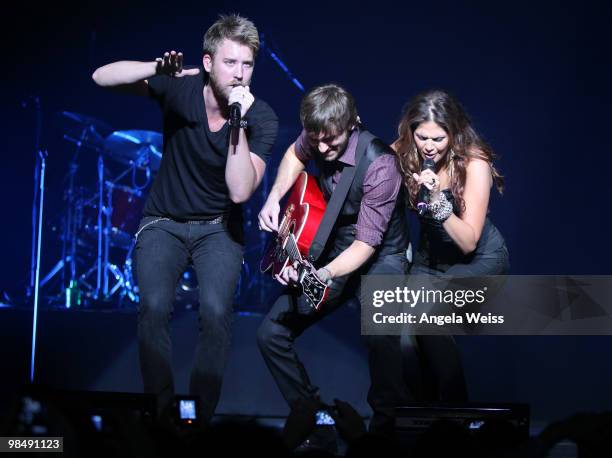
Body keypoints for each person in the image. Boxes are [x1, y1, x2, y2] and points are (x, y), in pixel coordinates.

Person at [92, 14, 279, 421]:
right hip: (163, 220)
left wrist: (238, 123)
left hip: (218, 228)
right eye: (230, 63)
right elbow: (101, 77)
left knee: (215, 313)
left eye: (247, 65)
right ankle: (160, 411)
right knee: (155, 306)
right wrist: (157, 67)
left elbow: (239, 190)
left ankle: (197, 416)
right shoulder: (181, 88)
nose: (240, 74)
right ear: (208, 63)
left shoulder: (260, 117)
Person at [257, 84, 412, 440]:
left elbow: (366, 245)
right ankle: (307, 409)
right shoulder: (319, 131)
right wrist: (274, 198)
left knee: (381, 334)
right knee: (270, 333)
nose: (322, 150)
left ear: (353, 123)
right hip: (337, 241)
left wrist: (321, 273)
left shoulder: (382, 165)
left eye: (332, 141)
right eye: (317, 141)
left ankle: (383, 432)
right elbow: (296, 155)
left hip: (380, 252)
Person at [392, 89, 509, 401]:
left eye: (438, 139)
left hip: (478, 260)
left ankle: (454, 417)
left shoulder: (474, 161)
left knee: (429, 324)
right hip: (430, 260)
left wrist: (433, 200)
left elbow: (469, 240)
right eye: (422, 137)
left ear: (454, 134)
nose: (429, 147)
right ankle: (424, 417)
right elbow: (368, 162)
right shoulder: (405, 152)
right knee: (402, 340)